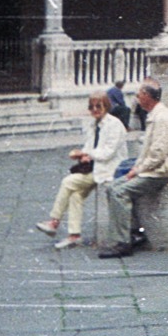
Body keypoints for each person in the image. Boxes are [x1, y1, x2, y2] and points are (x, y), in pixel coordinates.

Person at [97, 78, 168, 258]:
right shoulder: (156, 116)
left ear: (146, 96)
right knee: (113, 187)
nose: (136, 98)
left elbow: (157, 154)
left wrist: (137, 170)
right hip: (152, 169)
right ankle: (133, 232)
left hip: (161, 172)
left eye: (138, 94)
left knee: (120, 191)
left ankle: (123, 242)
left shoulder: (162, 118)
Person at [36, 92, 128, 250]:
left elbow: (108, 153)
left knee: (68, 182)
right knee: (75, 195)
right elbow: (90, 147)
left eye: (98, 106)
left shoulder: (114, 124)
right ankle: (74, 235)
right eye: (92, 107)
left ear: (106, 106)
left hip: (109, 169)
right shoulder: (94, 124)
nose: (95, 110)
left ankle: (54, 221)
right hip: (96, 167)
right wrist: (82, 154)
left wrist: (88, 155)